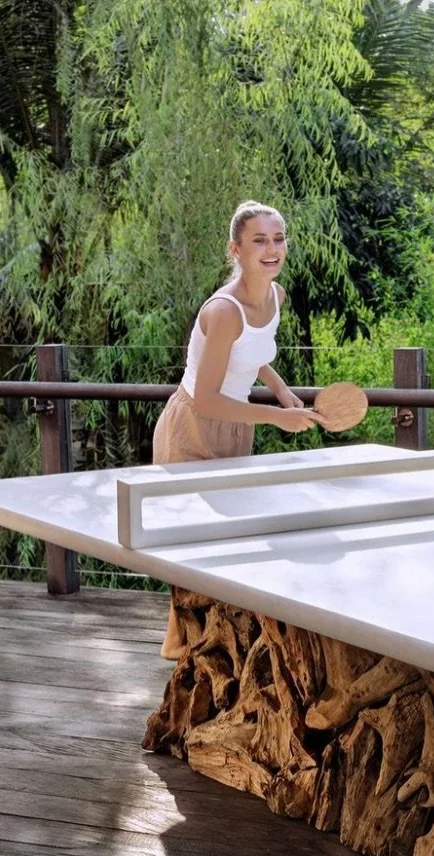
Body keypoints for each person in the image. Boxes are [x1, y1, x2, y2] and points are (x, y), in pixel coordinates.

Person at [153, 200, 323, 659]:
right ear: (236, 249)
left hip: (235, 426)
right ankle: (184, 650)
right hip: (192, 426)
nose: (272, 249)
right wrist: (276, 416)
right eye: (259, 241)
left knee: (229, 540)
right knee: (191, 544)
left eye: (278, 239)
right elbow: (206, 398)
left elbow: (253, 352)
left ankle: (220, 648)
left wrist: (281, 390)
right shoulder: (224, 311)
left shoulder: (276, 296)